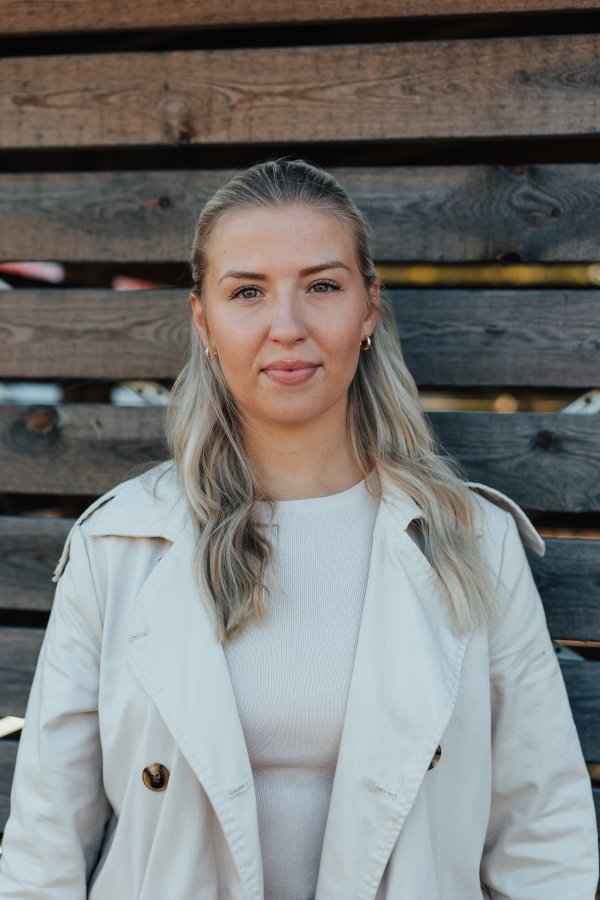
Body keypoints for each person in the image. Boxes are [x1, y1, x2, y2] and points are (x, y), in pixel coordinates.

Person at [0, 157, 597, 900]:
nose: (287, 328)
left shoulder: (473, 541)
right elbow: (44, 849)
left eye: (321, 286)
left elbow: (543, 840)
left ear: (369, 309)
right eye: (247, 292)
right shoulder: (117, 546)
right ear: (203, 321)